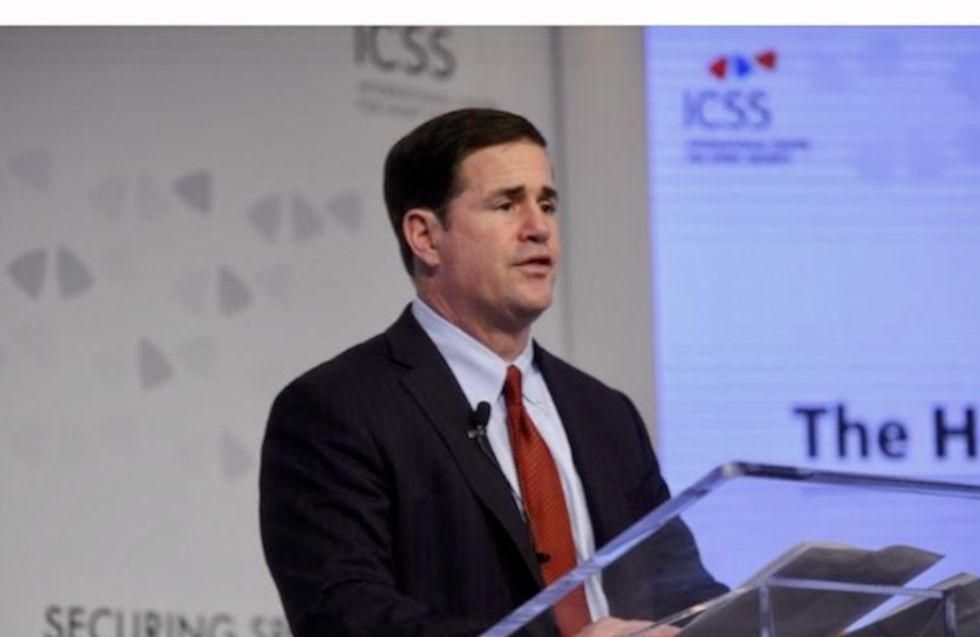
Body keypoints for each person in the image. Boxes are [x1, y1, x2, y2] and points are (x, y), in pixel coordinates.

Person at [259, 108, 725, 637]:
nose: (539, 228)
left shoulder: (605, 414)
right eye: (506, 205)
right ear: (425, 237)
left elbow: (680, 590)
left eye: (546, 204)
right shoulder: (337, 408)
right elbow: (346, 617)